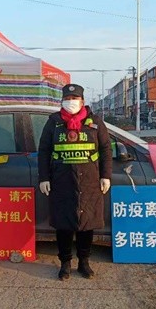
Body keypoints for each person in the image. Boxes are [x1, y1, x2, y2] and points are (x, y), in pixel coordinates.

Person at [37, 83, 112, 280]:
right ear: (62, 101)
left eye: (75, 99)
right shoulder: (54, 122)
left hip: (89, 182)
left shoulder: (95, 122)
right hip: (62, 181)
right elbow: (44, 150)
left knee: (87, 225)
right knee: (64, 226)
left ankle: (84, 263)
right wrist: (44, 177)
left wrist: (106, 175)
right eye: (68, 99)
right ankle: (65, 264)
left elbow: (105, 149)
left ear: (82, 101)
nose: (71, 103)